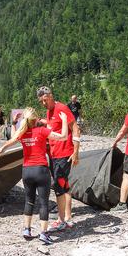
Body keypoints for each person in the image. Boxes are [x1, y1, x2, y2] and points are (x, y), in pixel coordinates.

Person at [0, 108, 69, 245]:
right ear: (36, 119)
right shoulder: (42, 131)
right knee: (43, 203)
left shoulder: (22, 132)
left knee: (29, 201)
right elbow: (63, 136)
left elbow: (11, 140)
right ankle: (43, 234)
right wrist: (64, 120)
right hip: (41, 171)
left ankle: (27, 230)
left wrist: (2, 149)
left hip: (27, 171)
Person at [37, 86, 80, 232]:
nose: (43, 103)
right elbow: (52, 127)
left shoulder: (61, 108)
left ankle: (61, 220)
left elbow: (75, 127)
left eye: (44, 100)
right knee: (64, 185)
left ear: (50, 96)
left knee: (59, 186)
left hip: (64, 153)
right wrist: (41, 122)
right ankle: (67, 218)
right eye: (41, 101)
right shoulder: (49, 111)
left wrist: (76, 151)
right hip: (54, 153)